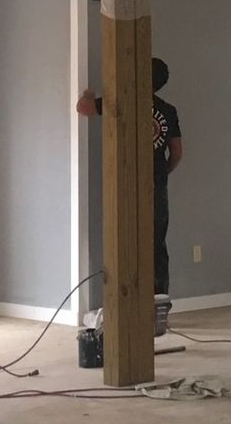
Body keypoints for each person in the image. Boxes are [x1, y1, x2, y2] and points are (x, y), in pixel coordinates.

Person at [77, 57, 182, 296]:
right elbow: (177, 153)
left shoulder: (123, 102)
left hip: (124, 182)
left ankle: (127, 298)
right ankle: (159, 302)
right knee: (156, 243)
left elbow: (83, 108)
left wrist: (88, 94)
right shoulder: (168, 111)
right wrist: (161, 172)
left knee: (125, 240)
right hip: (156, 185)